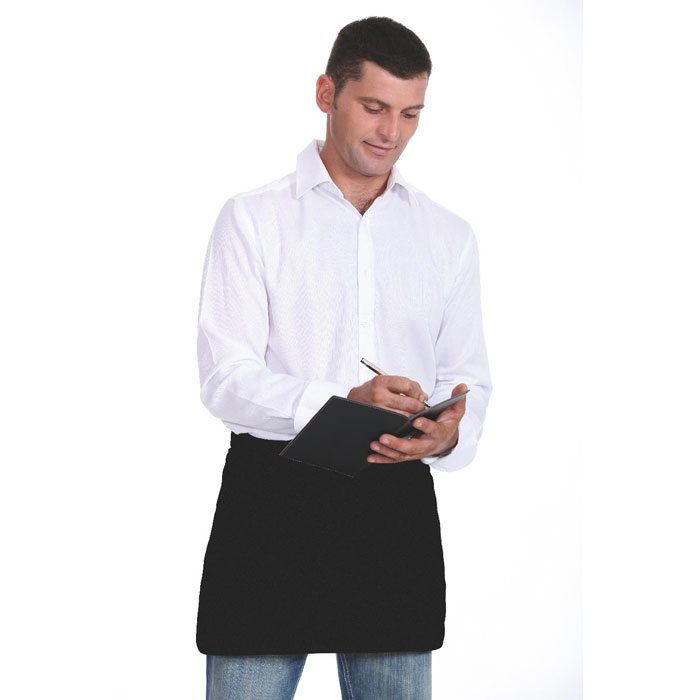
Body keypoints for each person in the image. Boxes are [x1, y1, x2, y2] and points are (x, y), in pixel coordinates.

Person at [195, 15, 492, 700]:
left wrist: (450, 434)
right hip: (272, 499)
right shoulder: (254, 218)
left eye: (411, 114)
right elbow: (224, 377)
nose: (392, 132)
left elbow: (468, 376)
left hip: (395, 503)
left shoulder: (447, 235)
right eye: (375, 107)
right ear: (327, 94)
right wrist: (340, 404)